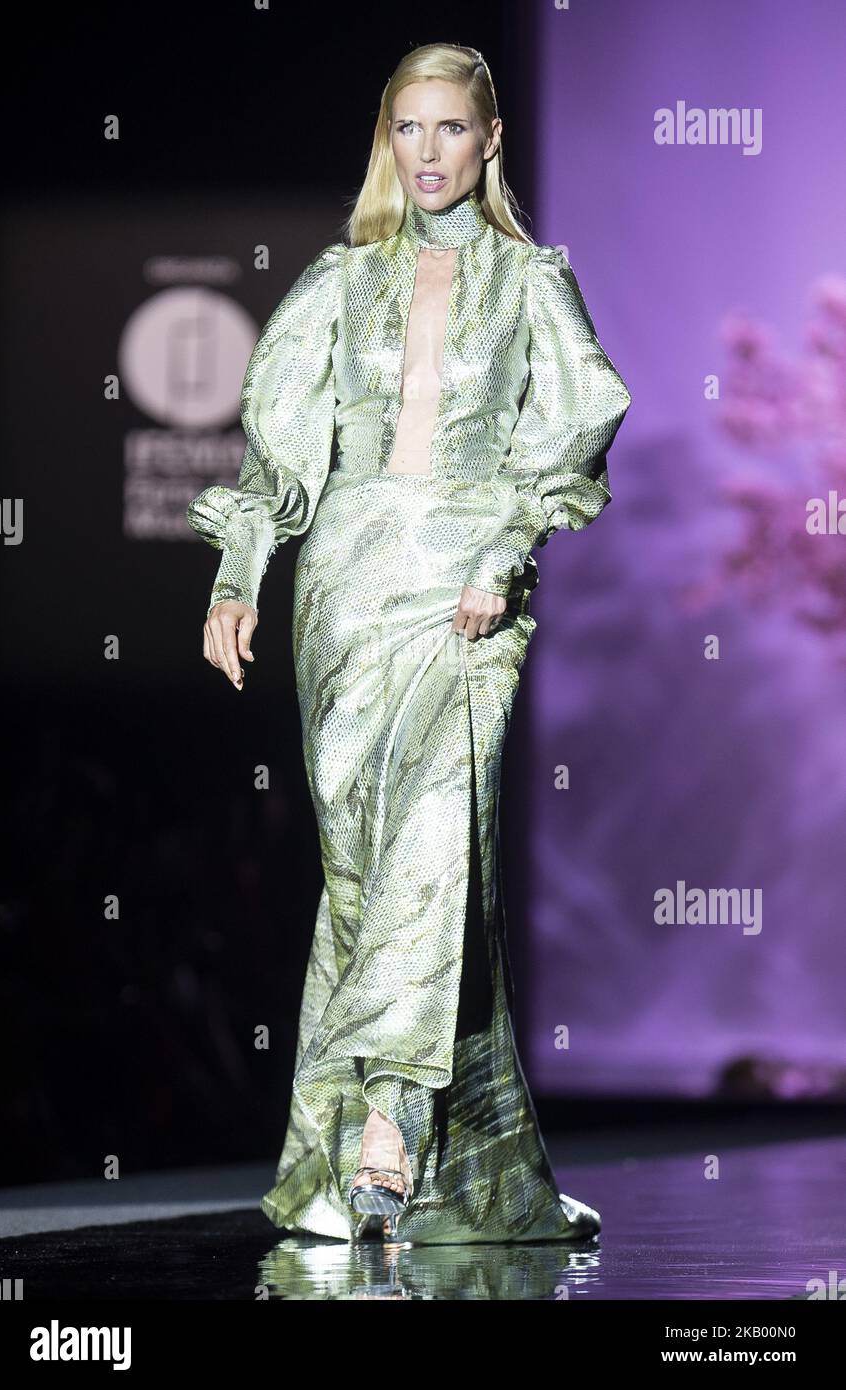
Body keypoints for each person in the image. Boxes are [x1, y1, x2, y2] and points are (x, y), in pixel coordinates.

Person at [186, 42, 631, 1245]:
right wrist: (239, 575)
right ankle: (465, 1175)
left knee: (442, 838)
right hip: (348, 586)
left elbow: (572, 435)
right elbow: (280, 454)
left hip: (465, 591)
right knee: (365, 870)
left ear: (489, 141)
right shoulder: (339, 279)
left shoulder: (534, 281)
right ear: (386, 141)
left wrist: (502, 557)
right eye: (405, 129)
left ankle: (386, 1122)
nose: (426, 152)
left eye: (448, 129)